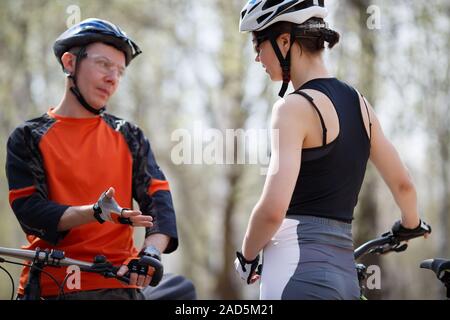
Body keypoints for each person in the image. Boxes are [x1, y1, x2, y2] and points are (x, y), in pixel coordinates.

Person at [234, 0, 431, 300]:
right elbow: (404, 185)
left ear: (284, 40)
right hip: (345, 282)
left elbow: (273, 210)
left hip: (294, 278)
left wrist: (246, 257)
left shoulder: (291, 109)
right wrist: (410, 224)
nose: (257, 57)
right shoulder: (361, 105)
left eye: (258, 42)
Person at [6, 18, 195, 300]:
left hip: (120, 283)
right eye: (104, 65)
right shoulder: (28, 136)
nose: (113, 78)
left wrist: (151, 252)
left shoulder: (128, 134)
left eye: (119, 71)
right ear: (70, 63)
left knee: (181, 288)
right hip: (57, 284)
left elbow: (159, 203)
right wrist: (95, 212)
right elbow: (31, 212)